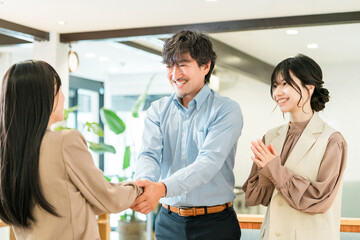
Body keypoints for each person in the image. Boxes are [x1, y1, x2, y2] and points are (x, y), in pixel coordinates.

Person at [0, 60, 142, 240]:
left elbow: (70, 203)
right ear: (43, 98)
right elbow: (108, 198)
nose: (63, 97)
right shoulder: (65, 142)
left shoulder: (7, 153)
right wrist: (138, 188)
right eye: (58, 89)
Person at [131, 30, 243, 239]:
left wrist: (161, 188)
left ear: (206, 66)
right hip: (168, 221)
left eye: (182, 64)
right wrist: (145, 185)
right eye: (169, 66)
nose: (174, 75)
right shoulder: (157, 110)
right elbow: (149, 155)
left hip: (215, 224)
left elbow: (208, 163)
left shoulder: (226, 110)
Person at [242, 54, 347, 240]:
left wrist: (274, 167)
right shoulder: (271, 136)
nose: (277, 92)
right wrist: (266, 172)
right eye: (275, 85)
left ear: (309, 87)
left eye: (285, 84)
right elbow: (254, 198)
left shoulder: (332, 140)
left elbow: (319, 200)